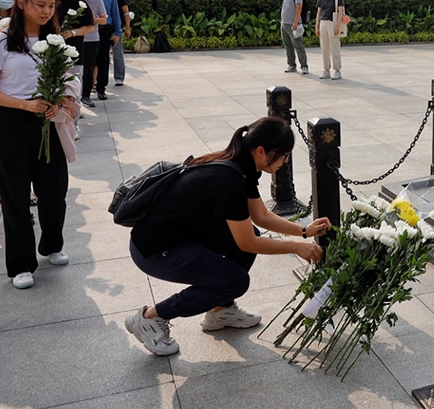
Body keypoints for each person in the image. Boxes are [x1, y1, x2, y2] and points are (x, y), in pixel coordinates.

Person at [123, 117, 331, 356]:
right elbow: (247, 243)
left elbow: (261, 216)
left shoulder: (242, 165)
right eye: (283, 155)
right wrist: (296, 247)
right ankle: (150, 317)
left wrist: (304, 231)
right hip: (154, 249)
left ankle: (220, 311)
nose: (285, 162)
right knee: (236, 281)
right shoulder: (228, 178)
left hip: (178, 237)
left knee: (248, 237)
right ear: (261, 151)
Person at [0, 0, 80, 289]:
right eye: (40, 5)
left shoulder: (55, 42)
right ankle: (21, 264)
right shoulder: (0, 42)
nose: (46, 11)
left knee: (54, 190)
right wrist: (25, 105)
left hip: (47, 121)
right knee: (15, 195)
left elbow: (67, 79)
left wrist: (60, 101)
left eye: (51, 6)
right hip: (11, 122)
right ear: (21, 3)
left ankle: (52, 245)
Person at [50, 0, 94, 137]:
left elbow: (90, 26)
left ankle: (73, 126)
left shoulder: (79, 4)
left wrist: (72, 33)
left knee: (72, 91)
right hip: (49, 53)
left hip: (73, 54)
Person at [88, 0, 122, 101]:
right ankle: (86, 89)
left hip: (105, 30)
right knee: (89, 60)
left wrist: (117, 32)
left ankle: (101, 88)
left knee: (103, 60)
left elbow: (115, 15)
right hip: (89, 31)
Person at [270, 0, 309, 75]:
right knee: (288, 45)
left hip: (293, 24)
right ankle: (291, 65)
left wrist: (295, 22)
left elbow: (299, 7)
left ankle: (304, 66)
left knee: (298, 45)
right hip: (284, 24)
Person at [75, 0, 105, 108]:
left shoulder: (97, 1)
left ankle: (86, 95)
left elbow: (104, 20)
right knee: (74, 68)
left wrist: (93, 18)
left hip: (91, 39)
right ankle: (74, 96)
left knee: (89, 68)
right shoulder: (71, 0)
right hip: (74, 38)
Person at [314, 0, 345, 79]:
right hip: (323, 23)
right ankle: (326, 69)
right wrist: (317, 26)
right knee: (324, 48)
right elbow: (319, 12)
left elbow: (340, 11)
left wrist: (337, 26)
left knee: (335, 47)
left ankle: (337, 70)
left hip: (333, 22)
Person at [104, 0, 130, 87]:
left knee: (117, 54)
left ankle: (119, 77)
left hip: (116, 27)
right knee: (102, 55)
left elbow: (125, 11)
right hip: (102, 27)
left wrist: (127, 27)